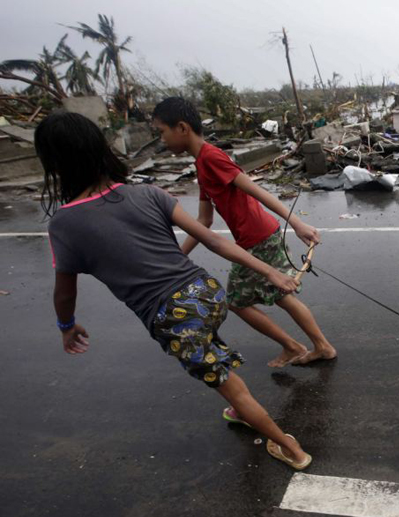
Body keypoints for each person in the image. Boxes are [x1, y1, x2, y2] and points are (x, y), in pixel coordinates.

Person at [39, 111, 311, 469]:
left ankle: (290, 449)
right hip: (208, 293)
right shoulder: (149, 193)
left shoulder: (65, 223)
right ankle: (247, 396)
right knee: (206, 342)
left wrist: (66, 326)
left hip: (173, 317)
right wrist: (271, 274)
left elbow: (64, 293)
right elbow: (213, 240)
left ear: (55, 165)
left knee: (230, 385)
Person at [152, 97, 336, 368]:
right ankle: (316, 346)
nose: (162, 140)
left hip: (258, 239)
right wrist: (178, 256)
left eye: (161, 132)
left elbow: (254, 189)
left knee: (239, 302)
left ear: (182, 128)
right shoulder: (202, 164)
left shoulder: (212, 157)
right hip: (258, 237)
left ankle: (298, 346)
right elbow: (203, 221)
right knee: (281, 296)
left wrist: (296, 222)